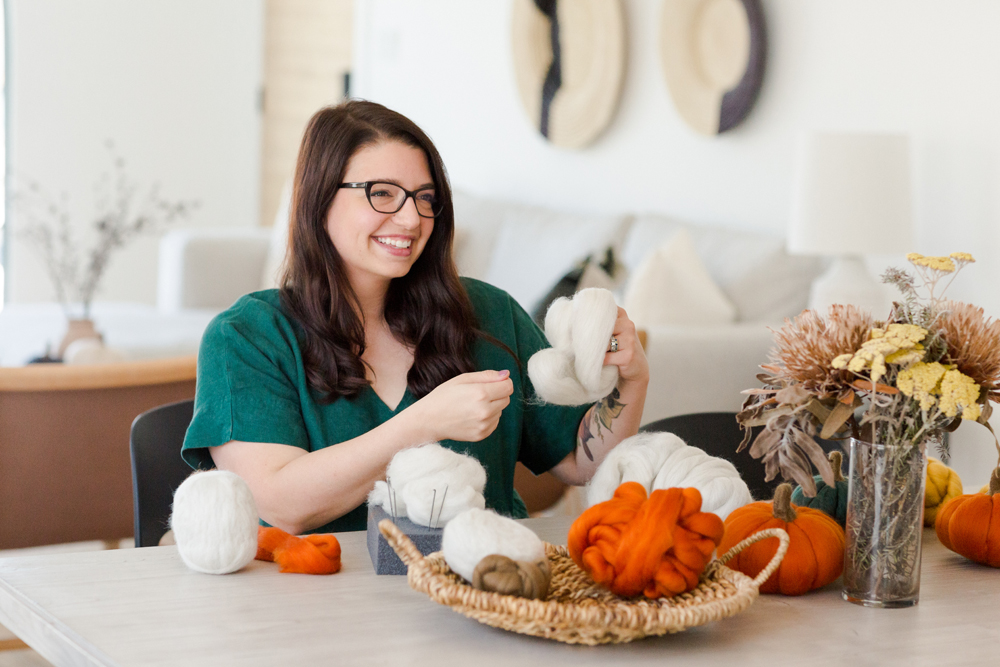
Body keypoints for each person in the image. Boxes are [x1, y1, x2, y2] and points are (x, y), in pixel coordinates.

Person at [182, 100, 649, 534]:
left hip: (486, 596)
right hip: (316, 607)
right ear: (319, 198)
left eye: (424, 198)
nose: (411, 219)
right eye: (382, 193)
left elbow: (579, 461)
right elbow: (280, 505)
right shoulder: (248, 336)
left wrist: (632, 380)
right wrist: (422, 424)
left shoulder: (488, 315)